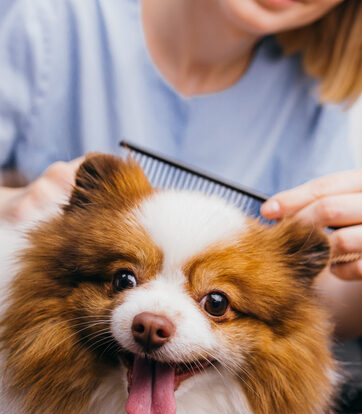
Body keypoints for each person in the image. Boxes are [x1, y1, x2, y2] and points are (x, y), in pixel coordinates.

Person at [0, 0, 361, 339]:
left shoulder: (319, 104)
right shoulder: (46, 21)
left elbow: (316, 304)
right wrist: (13, 204)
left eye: (216, 304)